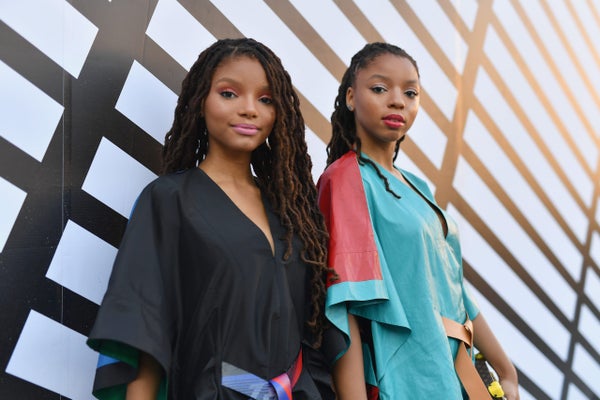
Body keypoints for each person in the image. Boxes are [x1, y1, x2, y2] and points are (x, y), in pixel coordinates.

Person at [87, 38, 334, 400]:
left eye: (266, 99)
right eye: (229, 94)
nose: (249, 109)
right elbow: (144, 327)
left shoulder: (293, 215)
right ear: (200, 100)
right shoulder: (170, 200)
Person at [317, 42, 519, 399]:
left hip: (456, 376)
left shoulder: (418, 186)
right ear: (350, 97)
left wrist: (506, 370)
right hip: (405, 381)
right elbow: (344, 305)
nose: (397, 101)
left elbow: (455, 291)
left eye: (410, 93)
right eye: (380, 88)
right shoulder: (346, 178)